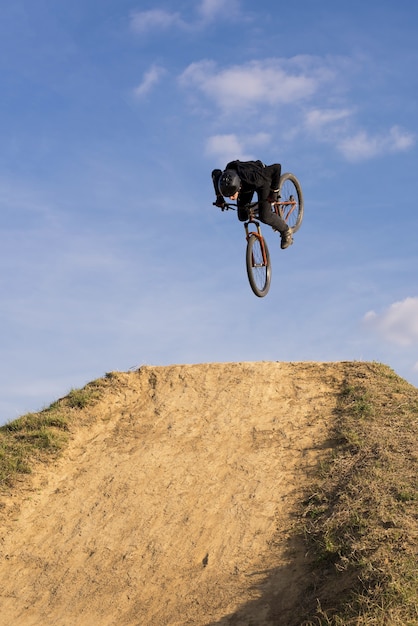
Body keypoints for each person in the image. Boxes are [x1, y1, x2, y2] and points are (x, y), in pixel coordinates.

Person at [212, 160, 293, 249]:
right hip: (244, 183)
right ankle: (262, 208)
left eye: (232, 194)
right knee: (242, 216)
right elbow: (215, 173)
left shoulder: (255, 178)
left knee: (265, 216)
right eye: (228, 196)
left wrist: (274, 192)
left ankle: (286, 232)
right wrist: (219, 198)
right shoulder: (222, 179)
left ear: (238, 187)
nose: (231, 198)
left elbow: (277, 167)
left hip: (263, 180)